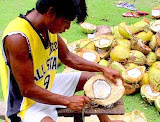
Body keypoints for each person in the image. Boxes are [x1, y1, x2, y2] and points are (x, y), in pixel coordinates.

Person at [0, 0, 123, 122]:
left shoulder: (47, 26)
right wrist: (67, 100)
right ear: (51, 12)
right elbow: (27, 89)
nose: (68, 27)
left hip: (48, 85)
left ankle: (105, 120)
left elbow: (68, 57)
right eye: (66, 21)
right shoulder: (17, 38)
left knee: (94, 78)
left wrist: (103, 68)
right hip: (26, 104)